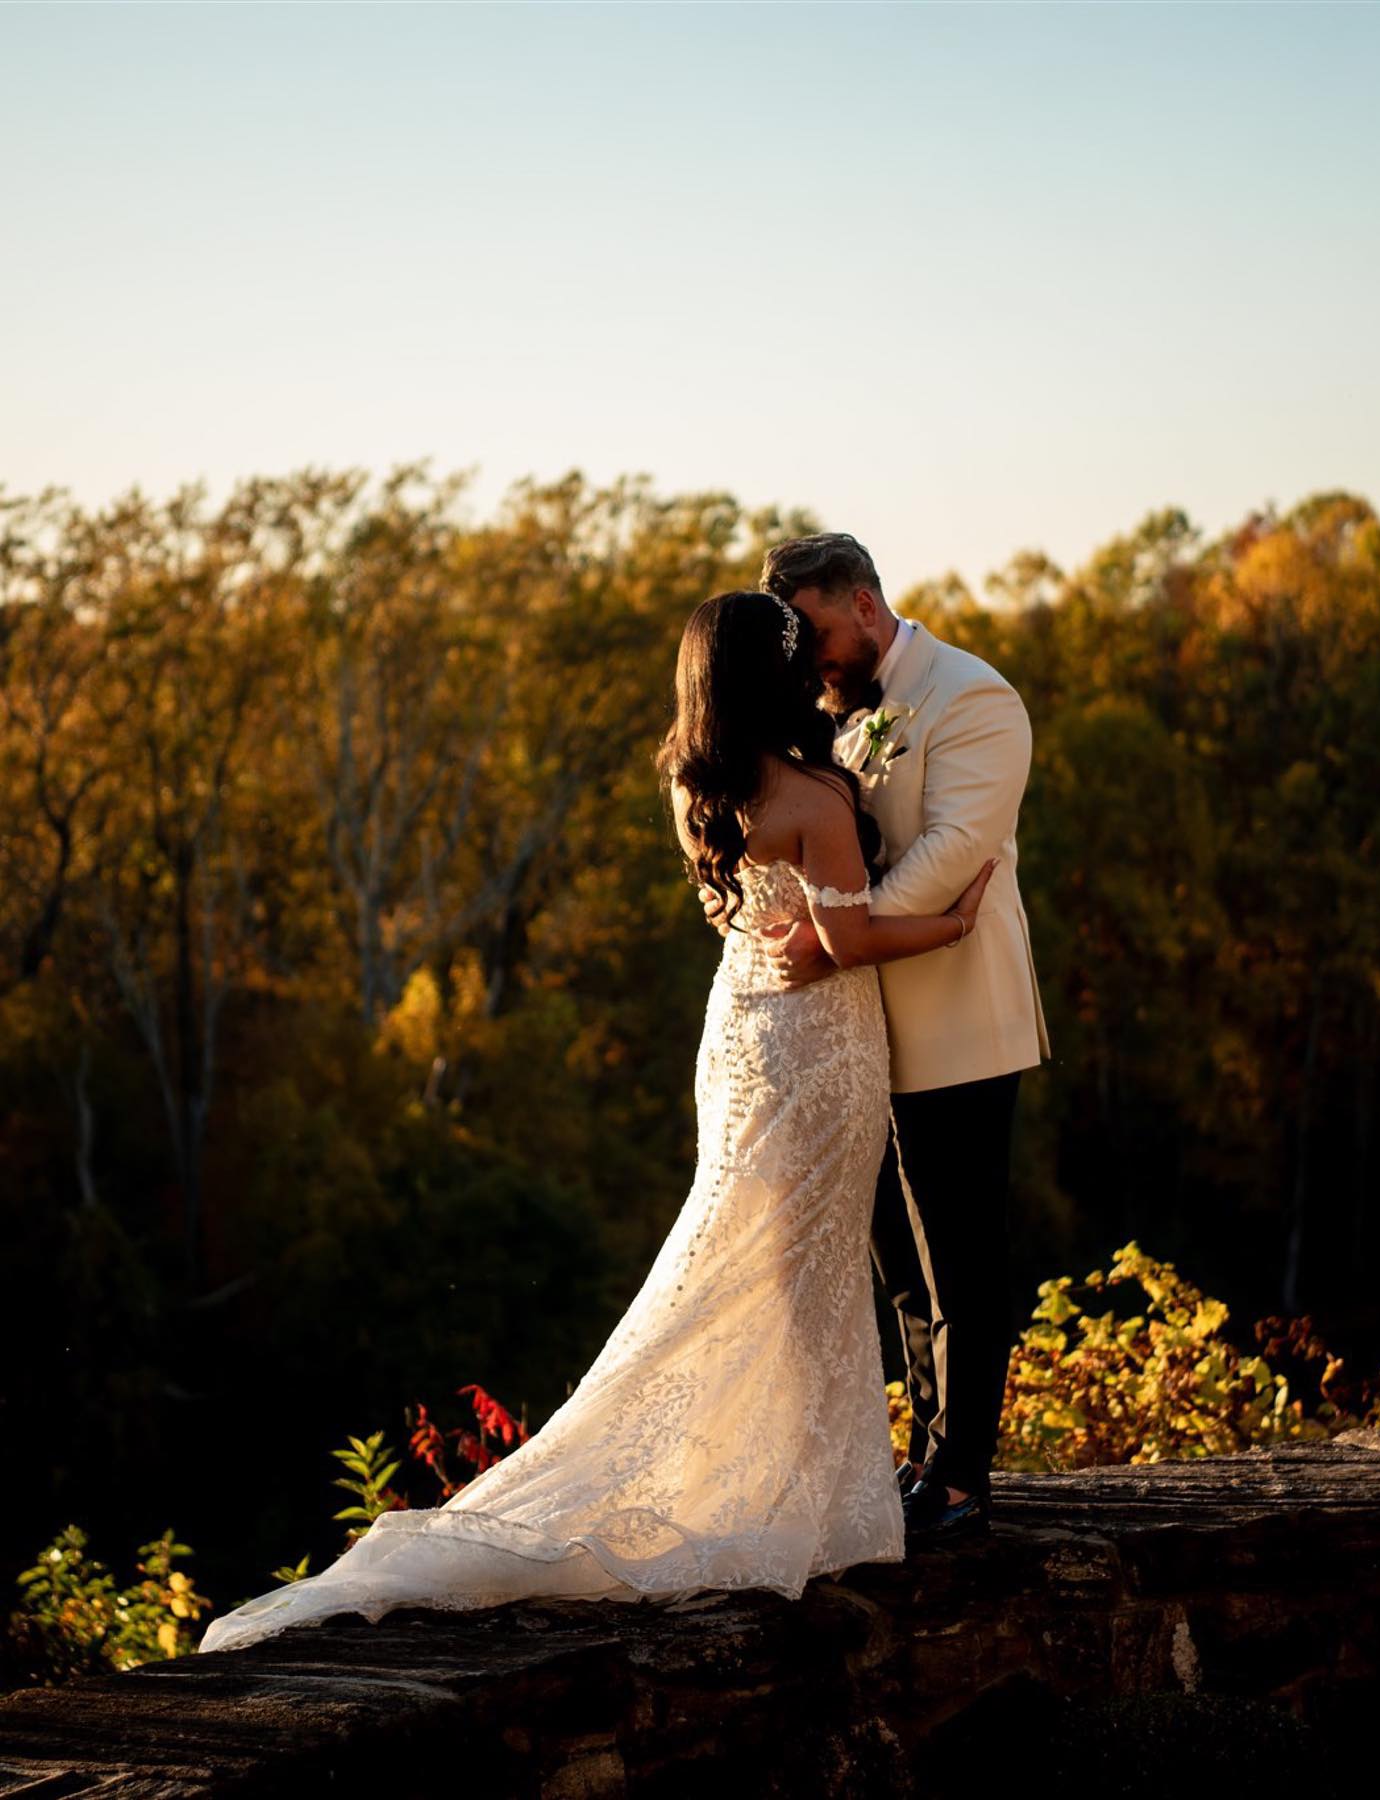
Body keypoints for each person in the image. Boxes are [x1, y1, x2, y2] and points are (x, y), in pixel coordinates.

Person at [197, 588, 995, 1655]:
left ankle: (803, 1482)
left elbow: (758, 919)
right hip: (819, 1046)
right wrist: (953, 921)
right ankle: (818, 1496)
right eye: (793, 652)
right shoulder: (811, 792)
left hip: (741, 1035)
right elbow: (844, 948)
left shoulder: (694, 778)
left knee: (756, 1258)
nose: (811, 665)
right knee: (805, 1266)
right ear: (766, 673)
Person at [702, 534, 1050, 1543]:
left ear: (862, 603)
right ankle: (924, 1447)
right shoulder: (824, 712)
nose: (804, 656)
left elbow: (953, 854)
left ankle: (962, 1476)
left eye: (810, 630)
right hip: (856, 1036)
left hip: (954, 1021)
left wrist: (833, 941)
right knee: (900, 1263)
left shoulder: (973, 696)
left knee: (962, 1257)